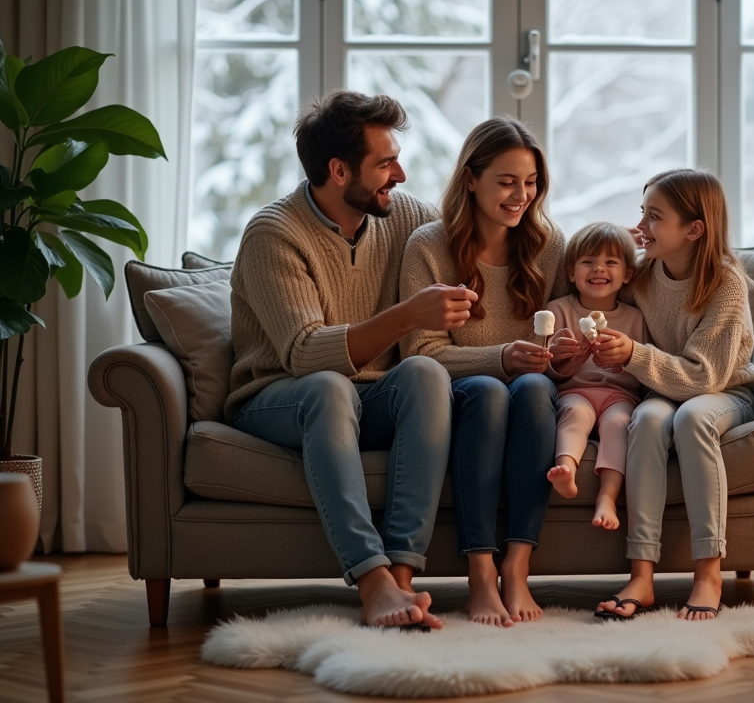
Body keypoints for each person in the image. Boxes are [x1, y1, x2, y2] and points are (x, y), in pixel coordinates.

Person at [225, 90, 478, 629]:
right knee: (328, 386)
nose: (402, 175)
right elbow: (305, 354)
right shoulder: (275, 234)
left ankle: (402, 582)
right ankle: (370, 579)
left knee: (426, 373)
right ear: (339, 171)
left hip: (371, 394)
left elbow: (475, 240)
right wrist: (408, 314)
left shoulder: (404, 215)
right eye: (385, 164)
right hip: (278, 398)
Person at [400, 115, 567, 627]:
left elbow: (570, 322)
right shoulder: (429, 246)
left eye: (532, 182)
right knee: (491, 390)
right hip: (459, 394)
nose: (522, 195)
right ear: (470, 178)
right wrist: (500, 358)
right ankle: (479, 573)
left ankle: (516, 567)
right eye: (508, 181)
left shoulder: (549, 245)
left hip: (533, 393)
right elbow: (420, 351)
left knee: (536, 385)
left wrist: (564, 351)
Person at [591, 169, 754, 622]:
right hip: (664, 391)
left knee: (693, 419)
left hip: (723, 390)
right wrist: (623, 248)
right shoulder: (645, 273)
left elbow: (704, 378)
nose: (643, 226)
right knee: (646, 420)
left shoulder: (726, 284)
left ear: (694, 229)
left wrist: (634, 354)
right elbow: (595, 272)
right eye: (641, 215)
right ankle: (641, 574)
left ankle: (708, 572)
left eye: (654, 217)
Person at [543, 222, 647, 530]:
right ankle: (565, 471)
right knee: (575, 412)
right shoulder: (558, 311)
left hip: (620, 396)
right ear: (572, 272)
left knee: (618, 424)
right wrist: (564, 360)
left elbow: (642, 369)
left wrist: (621, 362)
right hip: (576, 391)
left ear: (627, 275)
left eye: (610, 262)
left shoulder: (635, 317)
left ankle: (608, 496)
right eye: (588, 262)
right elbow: (548, 368)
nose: (598, 269)